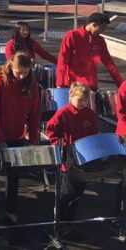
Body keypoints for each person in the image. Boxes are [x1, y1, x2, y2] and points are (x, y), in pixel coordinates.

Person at [0, 52, 41, 225]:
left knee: (14, 174)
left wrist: (33, 140)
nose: (21, 76)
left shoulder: (31, 85)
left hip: (16, 134)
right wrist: (0, 140)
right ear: (11, 66)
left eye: (25, 72)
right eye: (18, 72)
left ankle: (11, 209)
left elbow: (35, 114)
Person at [46, 83, 100, 230]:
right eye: (79, 100)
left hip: (85, 157)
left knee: (79, 191)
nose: (82, 103)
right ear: (70, 97)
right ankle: (59, 221)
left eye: (85, 100)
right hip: (69, 157)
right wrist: (58, 141)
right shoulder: (63, 113)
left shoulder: (89, 114)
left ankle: (69, 221)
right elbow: (50, 129)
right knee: (67, 192)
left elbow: (94, 133)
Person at [56, 12, 123, 91]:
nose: (103, 31)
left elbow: (109, 64)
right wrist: (60, 83)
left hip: (91, 85)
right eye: (102, 28)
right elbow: (62, 61)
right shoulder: (72, 36)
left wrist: (121, 85)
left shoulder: (100, 41)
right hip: (73, 85)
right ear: (93, 25)